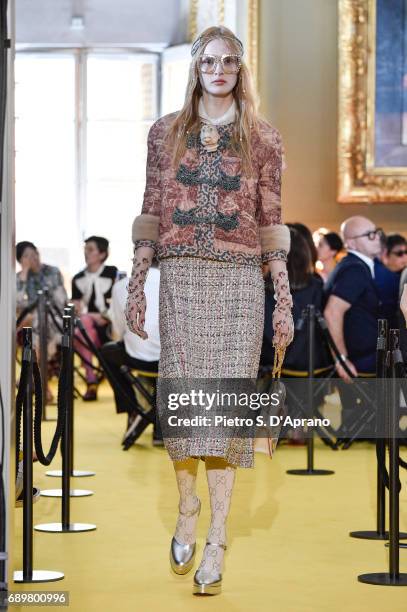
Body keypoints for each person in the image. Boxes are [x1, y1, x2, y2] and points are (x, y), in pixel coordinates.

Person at [125, 26, 293, 596]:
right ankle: (188, 507)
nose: (219, 70)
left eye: (229, 62)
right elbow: (151, 208)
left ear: (240, 70)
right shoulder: (165, 135)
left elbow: (272, 222)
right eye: (209, 61)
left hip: (241, 282)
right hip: (182, 278)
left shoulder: (264, 139)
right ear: (195, 69)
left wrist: (283, 301)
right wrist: (137, 284)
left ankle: (218, 538)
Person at [323, 216, 382, 433]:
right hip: (362, 357)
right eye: (369, 235)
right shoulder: (354, 268)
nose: (377, 238)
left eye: (377, 232)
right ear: (350, 243)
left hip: (367, 351)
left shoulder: (355, 265)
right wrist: (342, 359)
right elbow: (332, 312)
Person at [100, 258, 161, 444]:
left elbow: (117, 332)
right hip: (171, 363)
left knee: (106, 352)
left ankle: (131, 407)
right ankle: (163, 424)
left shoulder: (120, 286)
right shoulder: (178, 283)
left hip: (135, 357)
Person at [16, 241, 67, 401]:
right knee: (30, 321)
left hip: (52, 320)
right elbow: (17, 303)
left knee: (36, 326)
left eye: (34, 253)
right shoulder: (20, 278)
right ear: (20, 260)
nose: (32, 258)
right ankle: (40, 387)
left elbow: (61, 300)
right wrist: (24, 273)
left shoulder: (52, 271)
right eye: (26, 256)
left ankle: (32, 381)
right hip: (30, 323)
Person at [71, 236, 118, 401]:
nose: (86, 252)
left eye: (90, 249)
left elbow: (120, 304)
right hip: (88, 325)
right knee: (81, 326)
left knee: (79, 332)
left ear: (102, 254)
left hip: (111, 326)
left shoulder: (113, 273)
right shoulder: (78, 278)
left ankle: (91, 379)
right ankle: (92, 378)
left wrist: (105, 317)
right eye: (85, 249)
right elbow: (77, 308)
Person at [374, 233, 407, 329]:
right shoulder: (383, 277)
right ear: (385, 254)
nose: (405, 257)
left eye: (406, 252)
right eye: (399, 253)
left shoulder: (396, 274)